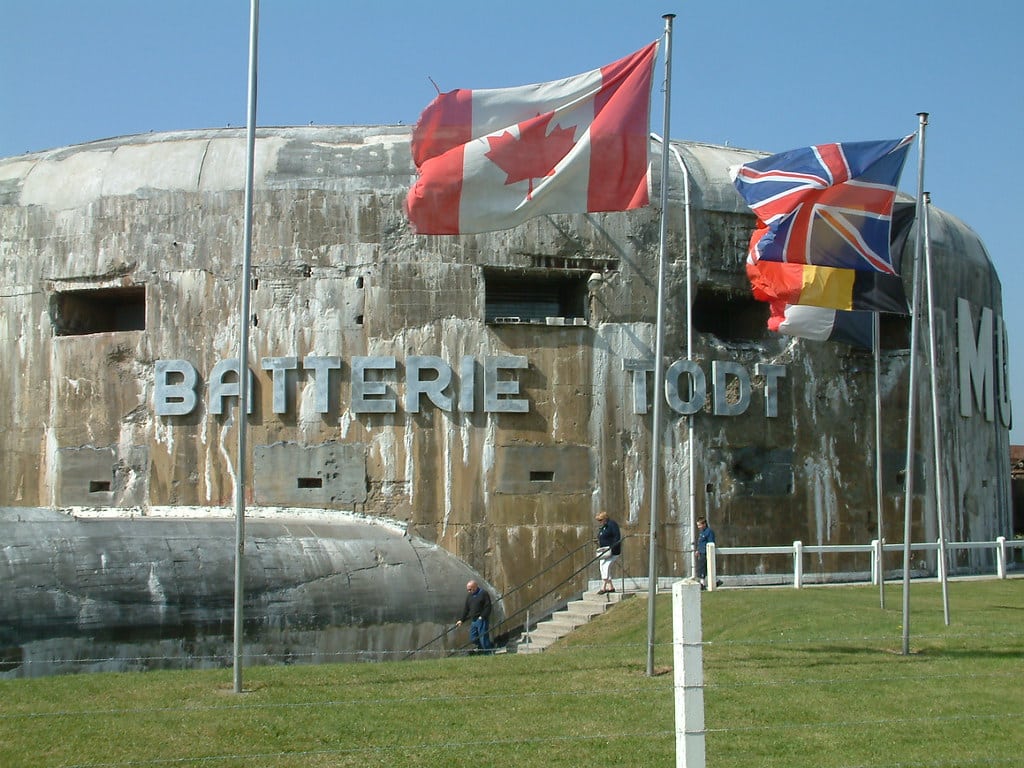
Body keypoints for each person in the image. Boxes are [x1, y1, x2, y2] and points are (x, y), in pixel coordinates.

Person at [456, 580, 492, 652]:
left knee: (483, 637)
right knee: (473, 638)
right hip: (473, 620)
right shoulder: (469, 596)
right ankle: (481, 649)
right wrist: (461, 620)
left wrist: (482, 616)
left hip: (481, 619)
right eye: (468, 590)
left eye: (470, 589)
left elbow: (488, 606)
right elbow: (466, 609)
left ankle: (488, 652)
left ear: (475, 587)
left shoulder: (483, 593)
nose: (469, 591)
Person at [595, 511, 622, 595]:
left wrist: (612, 546)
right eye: (598, 520)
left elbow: (617, 536)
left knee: (606, 566)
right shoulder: (604, 527)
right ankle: (611, 587)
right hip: (604, 551)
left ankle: (603, 587)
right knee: (602, 567)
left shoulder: (612, 524)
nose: (599, 522)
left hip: (612, 551)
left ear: (605, 518)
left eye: (600, 520)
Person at [695, 517, 717, 590]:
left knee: (703, 568)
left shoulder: (709, 532)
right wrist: (698, 550)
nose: (698, 527)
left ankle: (703, 584)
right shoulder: (702, 532)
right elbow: (700, 543)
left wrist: (708, 552)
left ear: (704, 524)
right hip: (701, 552)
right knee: (701, 568)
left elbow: (711, 543)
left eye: (699, 525)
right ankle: (715, 581)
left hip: (706, 552)